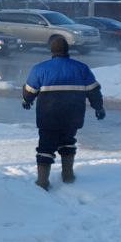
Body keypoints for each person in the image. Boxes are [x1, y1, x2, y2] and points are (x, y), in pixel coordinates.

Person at [21, 36, 105, 189]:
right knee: (68, 141)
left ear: (51, 50)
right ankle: (68, 176)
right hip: (72, 116)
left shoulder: (40, 68)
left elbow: (29, 91)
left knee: (45, 146)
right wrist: (99, 108)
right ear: (68, 50)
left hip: (48, 117)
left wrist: (27, 101)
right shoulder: (81, 68)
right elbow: (94, 91)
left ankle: (42, 182)